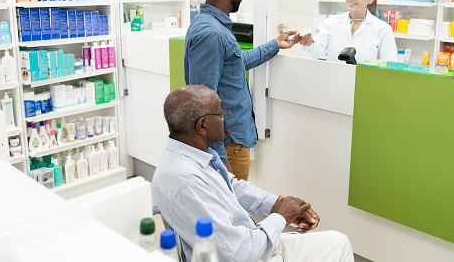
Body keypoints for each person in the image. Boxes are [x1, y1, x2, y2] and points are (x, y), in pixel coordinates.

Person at [152, 85, 355, 262]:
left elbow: (232, 188)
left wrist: (276, 204)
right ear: (202, 125)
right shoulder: (185, 181)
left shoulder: (190, 154)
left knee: (338, 241)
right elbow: (238, 254)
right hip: (247, 252)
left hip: (250, 241)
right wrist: (280, 217)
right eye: (220, 113)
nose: (224, 119)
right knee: (338, 245)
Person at [184, 0, 298, 180]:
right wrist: (219, 155)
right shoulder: (213, 33)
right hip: (228, 146)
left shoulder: (211, 25)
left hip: (231, 143)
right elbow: (203, 99)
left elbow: (234, 64)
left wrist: (274, 45)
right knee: (232, 210)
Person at [299, 0, 397, 63]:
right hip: (335, 80)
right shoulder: (332, 22)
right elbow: (315, 53)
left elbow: (389, 65)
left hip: (364, 81)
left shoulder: (383, 29)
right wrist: (309, 43)